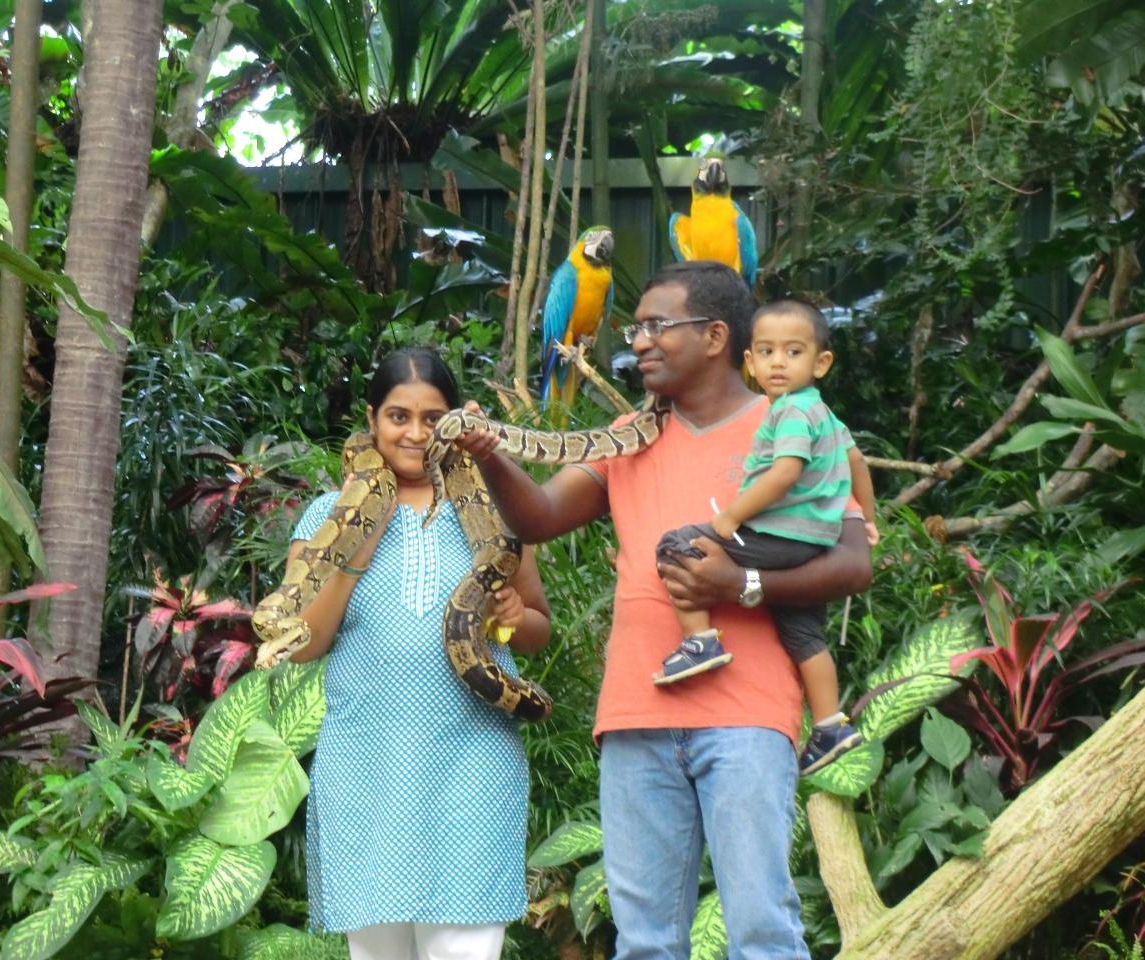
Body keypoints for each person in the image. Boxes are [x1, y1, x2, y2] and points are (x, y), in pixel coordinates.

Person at [456, 261, 872, 960]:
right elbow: (538, 517)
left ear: (715, 336)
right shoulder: (629, 434)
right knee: (645, 941)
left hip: (746, 715)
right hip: (636, 715)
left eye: (657, 325)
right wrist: (490, 453)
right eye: (636, 328)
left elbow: (854, 562)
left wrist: (739, 584)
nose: (639, 341)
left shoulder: (794, 421)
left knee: (762, 932)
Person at [286, 346, 552, 960]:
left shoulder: (495, 512)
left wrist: (514, 619)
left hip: (472, 768)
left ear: (454, 422)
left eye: (432, 418)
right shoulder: (327, 516)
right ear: (372, 421)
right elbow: (305, 644)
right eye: (397, 417)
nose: (414, 433)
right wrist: (359, 542)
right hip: (367, 769)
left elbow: (538, 627)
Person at [652, 299, 879, 775]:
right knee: (804, 633)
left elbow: (784, 473)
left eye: (794, 352)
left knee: (678, 543)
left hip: (777, 534)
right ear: (750, 363)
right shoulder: (824, 414)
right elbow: (857, 462)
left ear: (821, 363)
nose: (779, 363)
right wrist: (869, 519)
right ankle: (830, 726)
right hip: (815, 543)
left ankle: (699, 641)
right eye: (767, 352)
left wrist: (731, 516)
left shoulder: (790, 412)